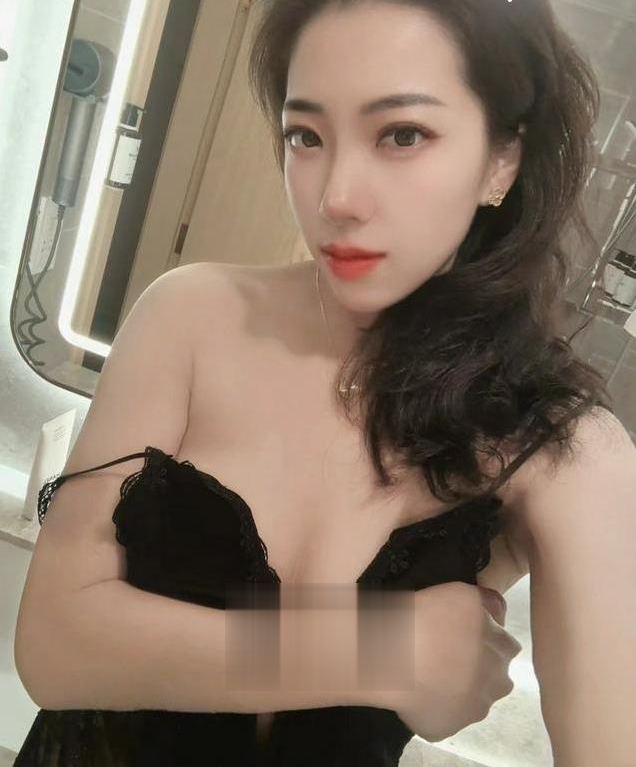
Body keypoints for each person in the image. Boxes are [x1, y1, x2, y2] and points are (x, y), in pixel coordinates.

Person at [13, 1, 622, 766]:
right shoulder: (191, 316)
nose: (336, 197)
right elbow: (52, 647)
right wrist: (385, 651)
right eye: (306, 135)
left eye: (403, 134)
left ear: (502, 159)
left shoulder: (563, 448)